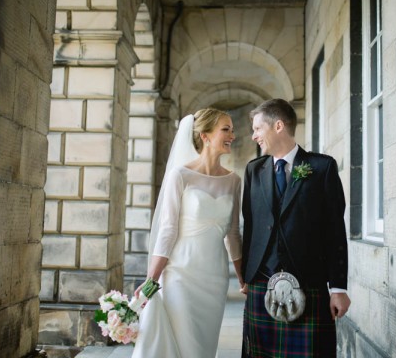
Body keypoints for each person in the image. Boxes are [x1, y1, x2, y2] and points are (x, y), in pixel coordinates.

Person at [240, 98, 351, 357]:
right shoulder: (253, 171)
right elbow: (251, 226)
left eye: (257, 128)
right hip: (261, 283)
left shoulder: (322, 167)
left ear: (278, 126)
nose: (253, 135)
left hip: (308, 283)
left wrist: (338, 289)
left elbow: (335, 231)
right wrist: (246, 274)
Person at [131, 108, 244, 358]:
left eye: (232, 130)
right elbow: (167, 230)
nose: (232, 136)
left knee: (204, 347)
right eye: (226, 129)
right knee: (185, 345)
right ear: (205, 136)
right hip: (180, 273)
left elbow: (233, 234)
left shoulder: (234, 181)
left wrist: (242, 277)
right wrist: (152, 279)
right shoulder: (180, 175)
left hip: (215, 276)